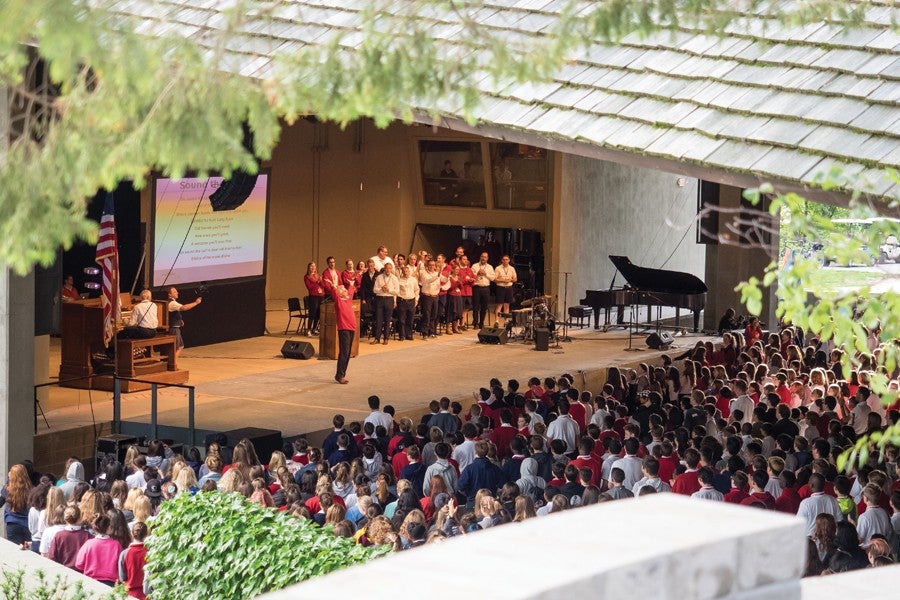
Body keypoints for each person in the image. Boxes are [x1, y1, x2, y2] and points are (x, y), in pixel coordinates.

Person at [332, 281, 357, 384]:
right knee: (344, 352)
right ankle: (339, 375)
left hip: (351, 328)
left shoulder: (348, 300)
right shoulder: (339, 301)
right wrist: (334, 287)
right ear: (339, 293)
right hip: (344, 329)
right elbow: (335, 294)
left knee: (348, 353)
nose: (345, 290)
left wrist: (351, 284)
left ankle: (342, 374)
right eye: (343, 289)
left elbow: (351, 291)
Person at [167, 287, 202, 356]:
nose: (177, 293)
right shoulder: (172, 303)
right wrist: (196, 303)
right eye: (174, 292)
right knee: (176, 348)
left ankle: (173, 363)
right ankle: (172, 365)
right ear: (169, 295)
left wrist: (179, 320)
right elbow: (184, 308)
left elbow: (172, 313)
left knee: (180, 346)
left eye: (176, 291)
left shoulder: (172, 302)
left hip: (175, 328)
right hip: (174, 329)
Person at [371, 262, 398, 345]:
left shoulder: (394, 278)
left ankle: (386, 338)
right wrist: (381, 289)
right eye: (386, 268)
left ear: (391, 269)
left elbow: (397, 291)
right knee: (378, 319)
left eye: (390, 268)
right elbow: (374, 290)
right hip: (379, 299)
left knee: (387, 320)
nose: (388, 270)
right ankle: (377, 338)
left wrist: (388, 290)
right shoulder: (379, 277)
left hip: (389, 299)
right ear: (384, 268)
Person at [471, 252, 495, 329]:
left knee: (484, 307)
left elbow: (493, 278)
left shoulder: (490, 267)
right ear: (480, 257)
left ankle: (481, 323)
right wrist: (477, 274)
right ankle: (475, 323)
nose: (483, 258)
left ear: (487, 258)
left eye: (485, 257)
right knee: (475, 307)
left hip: (486, 288)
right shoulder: (475, 265)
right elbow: (471, 276)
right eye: (482, 256)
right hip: (477, 288)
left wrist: (485, 274)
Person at [396, 265, 419, 341]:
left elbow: (416, 290)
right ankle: (401, 335)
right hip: (402, 301)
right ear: (402, 272)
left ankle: (408, 334)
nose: (405, 273)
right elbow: (396, 291)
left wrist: (416, 299)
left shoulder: (413, 280)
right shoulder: (399, 280)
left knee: (410, 319)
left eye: (407, 271)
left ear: (409, 272)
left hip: (411, 301)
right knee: (401, 320)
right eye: (404, 271)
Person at [493, 255, 517, 325]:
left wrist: (510, 280)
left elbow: (515, 279)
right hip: (500, 288)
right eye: (504, 259)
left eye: (506, 259)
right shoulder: (498, 268)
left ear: (509, 260)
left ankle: (506, 321)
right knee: (499, 305)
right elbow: (494, 279)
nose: (505, 261)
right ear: (502, 260)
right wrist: (503, 280)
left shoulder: (512, 268)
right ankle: (496, 321)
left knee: (507, 305)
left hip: (509, 288)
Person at [303, 262, 325, 336]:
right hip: (313, 296)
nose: (313, 267)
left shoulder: (317, 275)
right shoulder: (307, 277)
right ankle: (308, 330)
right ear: (309, 267)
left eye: (314, 266)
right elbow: (309, 287)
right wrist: (317, 282)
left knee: (318, 313)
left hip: (320, 295)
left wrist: (321, 281)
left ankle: (314, 329)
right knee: (313, 313)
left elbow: (322, 286)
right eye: (311, 266)